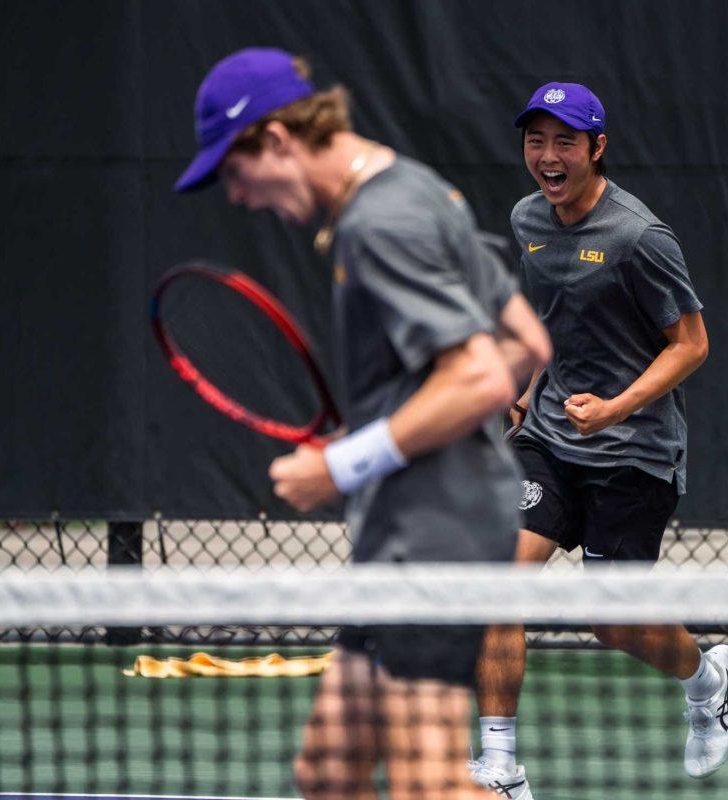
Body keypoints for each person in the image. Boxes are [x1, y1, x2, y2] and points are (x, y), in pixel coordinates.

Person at [175, 48, 550, 800]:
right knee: (329, 771)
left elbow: (480, 375)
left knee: (426, 786)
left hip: (433, 535)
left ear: (278, 139)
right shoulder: (416, 188)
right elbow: (525, 345)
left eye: (236, 174)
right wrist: (411, 422)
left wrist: (345, 464)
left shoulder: (378, 225)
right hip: (410, 526)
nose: (240, 198)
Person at [469, 83, 728, 797]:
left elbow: (692, 345)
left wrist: (618, 407)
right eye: (536, 140)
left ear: (597, 148)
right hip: (554, 438)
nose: (547, 157)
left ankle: (709, 680)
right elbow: (549, 320)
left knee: (612, 620)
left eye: (565, 142)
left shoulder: (639, 238)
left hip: (635, 452)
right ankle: (500, 768)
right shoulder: (528, 218)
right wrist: (526, 388)